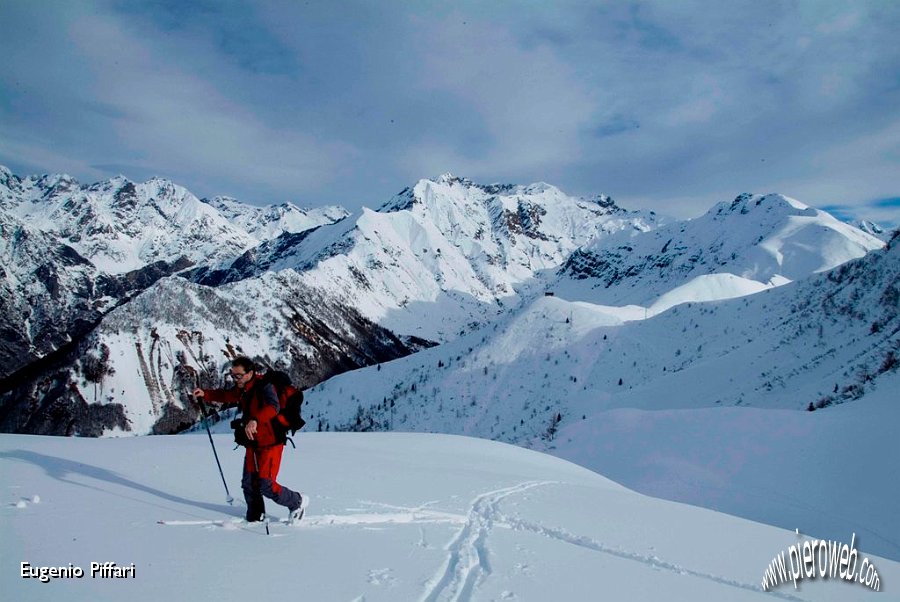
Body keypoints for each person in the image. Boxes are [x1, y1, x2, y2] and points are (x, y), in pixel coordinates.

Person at [193, 356, 309, 524]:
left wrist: (255, 419)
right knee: (248, 483)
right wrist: (206, 394)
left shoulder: (264, 386)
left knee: (266, 485)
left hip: (271, 443)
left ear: (250, 373)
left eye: (238, 375)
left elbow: (273, 407)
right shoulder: (243, 388)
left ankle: (297, 502)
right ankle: (255, 517)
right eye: (233, 375)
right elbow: (228, 396)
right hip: (253, 442)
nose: (235, 379)